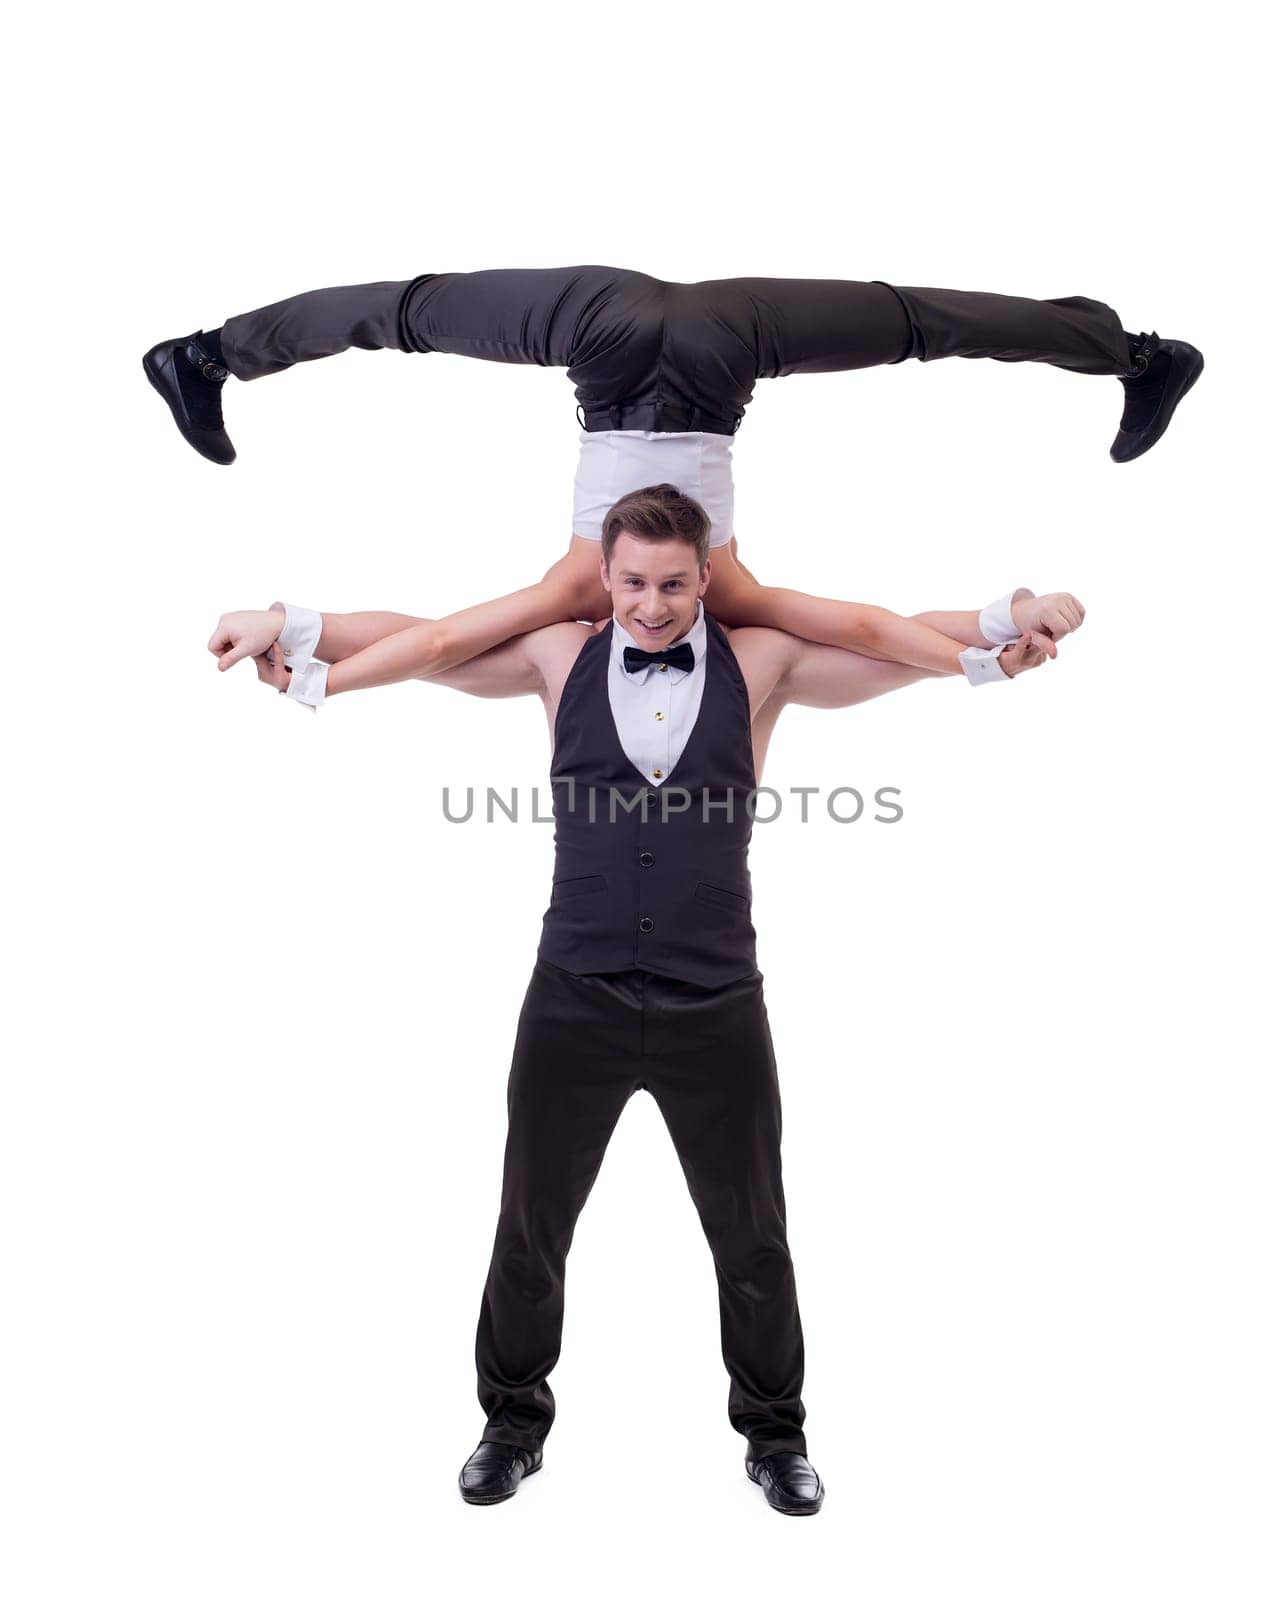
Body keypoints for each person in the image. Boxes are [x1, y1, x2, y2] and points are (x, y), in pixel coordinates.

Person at [222, 482, 1076, 1513]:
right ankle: (510, 1420)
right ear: (606, 574)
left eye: (673, 583)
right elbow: (428, 638)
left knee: (751, 1233)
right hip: (570, 996)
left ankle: (774, 1435)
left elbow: (889, 638)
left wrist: (1000, 625)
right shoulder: (558, 654)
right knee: (529, 1224)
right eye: (632, 581)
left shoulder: (762, 660)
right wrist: (289, 631)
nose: (652, 604)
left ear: (703, 576)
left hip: (713, 1002)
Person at [156, 264, 1167, 691]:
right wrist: (982, 647)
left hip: (698, 343)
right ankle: (1119, 347)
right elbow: (437, 637)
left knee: (914, 323)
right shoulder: (614, 591)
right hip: (619, 332)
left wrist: (315, 663)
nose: (638, 611)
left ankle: (1123, 347)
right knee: (412, 312)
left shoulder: (694, 594)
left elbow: (438, 642)